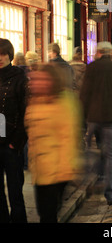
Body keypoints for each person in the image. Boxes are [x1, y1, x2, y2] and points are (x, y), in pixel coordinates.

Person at [25, 63, 83, 223]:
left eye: (43, 80)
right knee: (44, 212)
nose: (37, 83)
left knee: (47, 215)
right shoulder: (35, 102)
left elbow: (68, 139)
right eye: (35, 80)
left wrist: (66, 171)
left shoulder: (64, 103)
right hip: (39, 170)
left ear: (53, 82)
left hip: (56, 171)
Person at [80, 41, 112, 205]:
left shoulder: (91, 68)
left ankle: (90, 180)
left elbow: (84, 94)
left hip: (93, 117)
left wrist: (83, 117)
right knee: (111, 155)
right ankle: (110, 192)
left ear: (99, 53)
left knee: (89, 149)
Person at [0, 38, 28, 223]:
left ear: (10, 54)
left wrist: (15, 143)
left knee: (15, 189)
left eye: (3, 54)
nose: (0, 58)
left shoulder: (19, 77)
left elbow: (26, 111)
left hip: (11, 143)